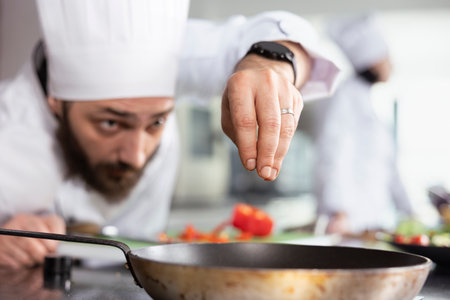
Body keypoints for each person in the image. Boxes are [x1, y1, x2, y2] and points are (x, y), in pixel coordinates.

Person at [0, 0, 339, 268]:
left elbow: (285, 37)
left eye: (156, 123)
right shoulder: (8, 130)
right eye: (110, 124)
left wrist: (270, 64)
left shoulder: (160, 52)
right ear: (57, 102)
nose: (136, 154)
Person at [312, 13, 412, 234]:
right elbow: (332, 153)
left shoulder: (371, 102)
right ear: (373, 61)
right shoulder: (343, 98)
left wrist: (409, 211)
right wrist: (339, 211)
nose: (391, 63)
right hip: (348, 222)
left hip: (372, 221)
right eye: (386, 56)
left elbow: (389, 167)